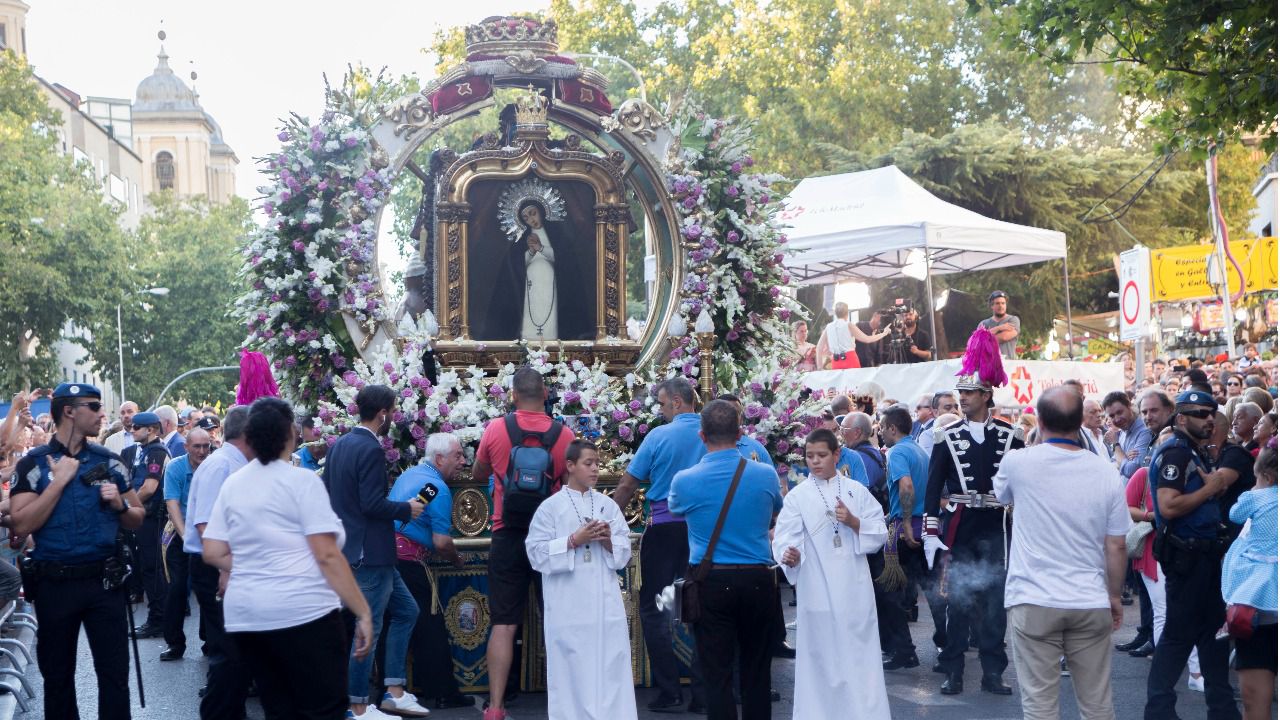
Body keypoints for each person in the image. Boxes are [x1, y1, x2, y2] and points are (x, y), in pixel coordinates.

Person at [201, 397, 375, 720]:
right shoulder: (302, 481)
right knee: (323, 709)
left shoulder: (234, 485)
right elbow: (326, 554)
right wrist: (362, 610)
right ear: (291, 435)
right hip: (304, 613)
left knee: (278, 708)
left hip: (248, 617)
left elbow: (212, 551)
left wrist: (255, 566)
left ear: (249, 438)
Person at [9, 382, 146, 720]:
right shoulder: (34, 465)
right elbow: (21, 525)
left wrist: (118, 505)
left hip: (105, 583)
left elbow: (137, 517)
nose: (103, 413)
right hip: (56, 584)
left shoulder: (109, 462)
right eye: (94, 406)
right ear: (69, 410)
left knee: (114, 677)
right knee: (57, 680)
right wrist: (58, 483)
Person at [994, 386, 1131, 720]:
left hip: (1034, 597)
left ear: (1039, 421)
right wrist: (1114, 596)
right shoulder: (1106, 471)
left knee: (1040, 706)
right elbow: (1116, 544)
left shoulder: (1018, 462)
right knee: (1097, 703)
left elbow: (1001, 496)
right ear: (1080, 421)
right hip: (1089, 598)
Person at [923, 329, 1024, 696]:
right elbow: (933, 487)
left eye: (967, 393)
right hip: (961, 525)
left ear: (986, 395)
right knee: (957, 601)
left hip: (996, 524)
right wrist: (931, 531)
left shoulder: (1012, 436)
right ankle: (953, 671)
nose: (961, 399)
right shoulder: (945, 436)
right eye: (960, 393)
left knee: (995, 604)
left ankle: (993, 672)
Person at [669, 399, 783, 720]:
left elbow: (676, 509)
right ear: (740, 434)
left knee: (715, 672)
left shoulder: (685, 480)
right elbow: (777, 511)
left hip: (711, 581)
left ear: (702, 436)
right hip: (759, 579)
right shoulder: (765, 475)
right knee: (757, 670)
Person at [473, 367, 574, 720]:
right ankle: (567, 705)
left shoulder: (496, 429)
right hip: (551, 536)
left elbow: (478, 473)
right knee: (557, 620)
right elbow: (573, 482)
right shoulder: (564, 435)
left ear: (513, 395)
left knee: (504, 622)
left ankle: (496, 707)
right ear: (545, 394)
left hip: (507, 533)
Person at [324, 385, 429, 719]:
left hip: (357, 549)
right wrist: (406, 509)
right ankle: (356, 706)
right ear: (383, 413)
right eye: (392, 411)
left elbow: (333, 494)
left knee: (407, 610)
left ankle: (394, 690)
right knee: (369, 628)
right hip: (371, 552)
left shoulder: (340, 444)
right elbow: (370, 503)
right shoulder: (369, 449)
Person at [773, 428, 888, 719]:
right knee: (820, 657)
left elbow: (879, 532)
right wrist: (791, 555)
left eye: (821, 455)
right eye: (810, 456)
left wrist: (853, 521)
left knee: (859, 656)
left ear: (836, 455)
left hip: (854, 586)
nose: (815, 462)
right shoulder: (798, 496)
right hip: (816, 585)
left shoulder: (856, 491)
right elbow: (786, 537)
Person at [612, 377, 706, 714]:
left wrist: (605, 518)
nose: (662, 410)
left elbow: (627, 484)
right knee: (700, 610)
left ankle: (670, 691)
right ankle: (702, 693)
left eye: (664, 404)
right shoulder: (711, 435)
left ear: (678, 402)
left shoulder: (659, 436)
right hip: (702, 533)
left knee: (654, 611)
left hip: (664, 530)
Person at [1144, 390, 1240, 720]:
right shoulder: (1176, 454)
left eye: (1211, 411)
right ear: (1182, 418)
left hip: (1206, 559)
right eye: (1200, 413)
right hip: (1188, 560)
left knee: (1213, 636)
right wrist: (1210, 489)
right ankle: (1158, 712)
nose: (1209, 417)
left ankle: (1223, 710)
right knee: (1177, 637)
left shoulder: (1195, 452)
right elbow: (1169, 506)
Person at [525, 439, 636, 720]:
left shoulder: (607, 506)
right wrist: (574, 540)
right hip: (568, 606)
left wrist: (608, 540)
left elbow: (624, 551)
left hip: (604, 604)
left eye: (597, 463)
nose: (596, 469)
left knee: (610, 666)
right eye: (589, 463)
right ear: (570, 466)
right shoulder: (550, 508)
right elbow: (535, 553)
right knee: (572, 668)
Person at [388, 432, 472, 711]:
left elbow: (418, 511)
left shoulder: (411, 476)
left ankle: (393, 690)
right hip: (410, 563)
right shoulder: (437, 486)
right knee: (430, 627)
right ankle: (442, 692)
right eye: (458, 455)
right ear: (439, 458)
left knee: (393, 626)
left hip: (388, 558)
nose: (463, 461)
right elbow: (441, 541)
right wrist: (457, 560)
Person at [185, 405, 255, 719]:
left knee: (236, 651)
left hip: (227, 563)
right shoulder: (221, 466)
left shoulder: (235, 464)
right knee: (228, 652)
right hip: (216, 566)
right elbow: (207, 526)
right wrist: (226, 568)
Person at [1221, 443, 1277, 720]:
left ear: (1265, 476)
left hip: (1257, 606)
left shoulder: (1256, 498)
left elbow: (1233, 514)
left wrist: (1255, 491)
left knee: (1254, 703)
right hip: (1260, 612)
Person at [489, 199, 593, 342]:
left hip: (552, 283)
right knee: (533, 310)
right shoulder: (521, 240)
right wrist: (531, 252)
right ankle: (529, 340)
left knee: (550, 312)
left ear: (541, 211)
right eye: (526, 218)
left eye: (533, 214)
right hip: (531, 286)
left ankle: (552, 339)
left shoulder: (558, 235)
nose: (532, 220)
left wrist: (541, 249)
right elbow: (516, 266)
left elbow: (565, 260)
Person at [879, 406, 934, 671]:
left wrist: (905, 523)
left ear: (892, 428)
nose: (879, 431)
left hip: (903, 529)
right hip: (922, 525)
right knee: (932, 590)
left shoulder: (898, 451)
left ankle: (904, 651)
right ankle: (947, 645)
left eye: (881, 427)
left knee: (889, 592)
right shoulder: (919, 450)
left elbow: (907, 485)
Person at [159, 427, 212, 661]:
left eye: (206, 446)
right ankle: (174, 643)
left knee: (209, 590)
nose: (202, 451)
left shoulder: (215, 465)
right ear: (186, 447)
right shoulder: (175, 467)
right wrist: (186, 538)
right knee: (178, 587)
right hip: (180, 531)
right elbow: (172, 506)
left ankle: (209, 640)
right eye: (197, 447)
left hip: (209, 533)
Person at [121, 410, 171, 639]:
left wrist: (127, 507)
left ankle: (159, 620)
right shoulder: (145, 451)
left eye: (135, 427)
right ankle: (157, 618)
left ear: (150, 430)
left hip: (153, 518)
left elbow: (150, 488)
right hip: (144, 518)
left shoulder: (157, 452)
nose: (131, 431)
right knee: (148, 569)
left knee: (153, 569)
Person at [815, 302, 890, 369]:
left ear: (835, 313)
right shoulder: (848, 325)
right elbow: (867, 339)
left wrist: (819, 367)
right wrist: (884, 333)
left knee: (840, 384)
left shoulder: (828, 327)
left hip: (836, 361)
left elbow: (819, 347)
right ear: (847, 313)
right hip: (850, 359)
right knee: (854, 384)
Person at [1103, 391, 1153, 479]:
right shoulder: (1123, 430)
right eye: (1112, 416)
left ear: (1130, 407)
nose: (1117, 419)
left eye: (1119, 412)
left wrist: (1116, 446)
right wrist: (1124, 456)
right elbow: (1111, 464)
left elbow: (1132, 471)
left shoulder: (1144, 431)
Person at [978, 290, 1020, 359]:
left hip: (1008, 365)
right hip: (988, 365)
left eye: (1003, 303)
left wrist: (984, 338)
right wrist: (999, 328)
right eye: (997, 303)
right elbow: (977, 343)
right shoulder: (983, 324)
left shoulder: (1013, 320)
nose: (1001, 306)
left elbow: (1004, 337)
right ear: (992, 306)